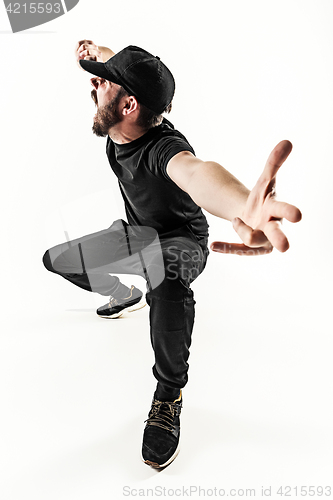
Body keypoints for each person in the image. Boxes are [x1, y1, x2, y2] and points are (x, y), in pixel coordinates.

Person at [42, 40, 302, 469]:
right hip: (138, 235)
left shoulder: (164, 148)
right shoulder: (125, 117)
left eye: (104, 82)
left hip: (181, 241)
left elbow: (197, 172)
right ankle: (123, 294)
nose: (95, 84)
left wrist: (242, 206)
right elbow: (112, 69)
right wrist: (97, 52)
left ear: (128, 105)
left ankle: (168, 396)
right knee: (59, 259)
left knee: (165, 279)